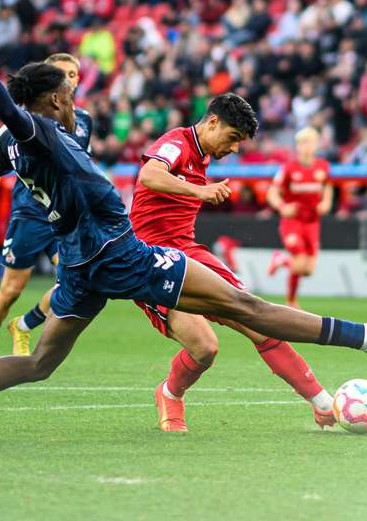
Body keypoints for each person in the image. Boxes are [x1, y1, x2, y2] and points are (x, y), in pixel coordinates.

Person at [0, 8, 367, 443]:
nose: (74, 94)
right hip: (122, 253)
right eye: (68, 88)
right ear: (56, 98)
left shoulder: (15, 144)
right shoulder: (36, 130)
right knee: (246, 308)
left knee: (38, 363)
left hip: (81, 265)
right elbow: (12, 113)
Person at [127, 99, 338, 433]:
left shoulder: (204, 155)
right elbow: (150, 175)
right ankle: (170, 393)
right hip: (151, 261)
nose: (236, 147)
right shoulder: (176, 143)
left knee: (258, 320)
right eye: (233, 136)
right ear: (212, 122)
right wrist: (199, 190)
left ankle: (324, 404)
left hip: (190, 253)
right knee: (205, 347)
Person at [0, 52, 89, 368]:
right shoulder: (27, 120)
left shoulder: (84, 120)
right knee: (10, 290)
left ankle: (24, 325)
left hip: (63, 218)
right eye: (63, 73)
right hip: (30, 215)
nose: (69, 79)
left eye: (74, 74)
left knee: (74, 284)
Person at [265, 126, 333, 308]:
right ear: (297, 146)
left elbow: (327, 187)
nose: (306, 146)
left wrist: (326, 202)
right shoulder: (288, 168)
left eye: (310, 142)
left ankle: (281, 260)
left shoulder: (323, 167)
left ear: (317, 145)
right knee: (299, 262)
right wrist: (282, 206)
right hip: (292, 221)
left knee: (308, 270)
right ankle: (292, 301)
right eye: (302, 143)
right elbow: (272, 192)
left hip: (312, 222)